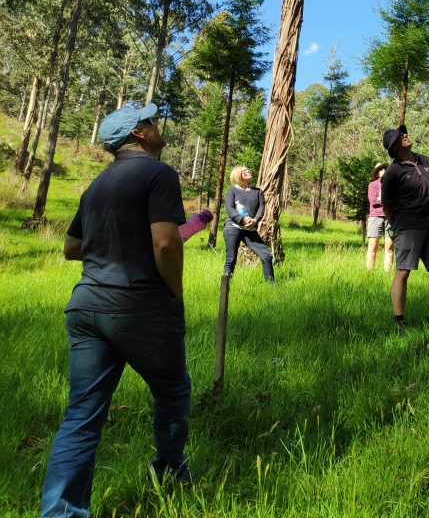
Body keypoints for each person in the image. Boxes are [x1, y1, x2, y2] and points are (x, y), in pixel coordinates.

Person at [40, 102, 192, 518]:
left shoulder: (97, 184)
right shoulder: (159, 173)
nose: (158, 127)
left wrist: (116, 242)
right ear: (139, 133)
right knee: (172, 389)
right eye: (152, 122)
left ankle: (60, 511)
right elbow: (164, 243)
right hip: (140, 305)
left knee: (82, 414)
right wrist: (174, 291)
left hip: (85, 307)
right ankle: (169, 474)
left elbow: (72, 247)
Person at [380, 125, 429, 334]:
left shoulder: (425, 160)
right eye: (401, 136)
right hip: (407, 228)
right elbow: (387, 205)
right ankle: (400, 322)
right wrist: (396, 227)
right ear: (394, 146)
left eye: (404, 133)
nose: (406, 135)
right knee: (403, 272)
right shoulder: (392, 172)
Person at [223, 165, 275, 284]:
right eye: (244, 171)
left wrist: (255, 220)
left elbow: (261, 208)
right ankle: (225, 288)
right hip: (233, 227)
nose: (248, 171)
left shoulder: (258, 192)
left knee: (266, 256)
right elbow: (230, 209)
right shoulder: (232, 190)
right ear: (238, 175)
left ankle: (271, 285)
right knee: (231, 259)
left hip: (250, 230)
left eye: (248, 170)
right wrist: (242, 220)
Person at [366, 163, 394, 272]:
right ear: (377, 173)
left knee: (390, 246)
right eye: (381, 169)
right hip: (375, 217)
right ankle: (370, 272)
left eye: (385, 168)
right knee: (373, 246)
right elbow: (373, 201)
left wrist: (383, 201)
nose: (384, 170)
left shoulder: (393, 186)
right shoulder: (372, 185)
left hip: (390, 218)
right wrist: (388, 201)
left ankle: (387, 273)